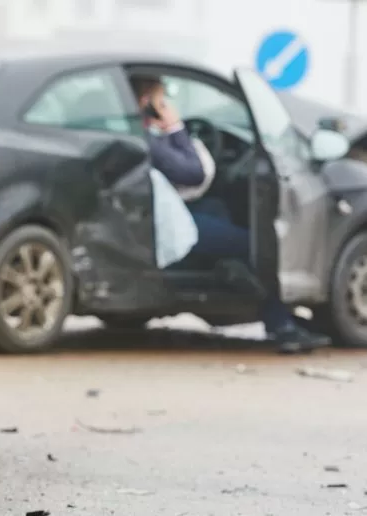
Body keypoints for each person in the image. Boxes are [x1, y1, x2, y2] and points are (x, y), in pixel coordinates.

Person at [132, 75, 331, 354]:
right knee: (254, 245)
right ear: (145, 103)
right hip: (165, 225)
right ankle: (279, 323)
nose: (166, 106)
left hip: (163, 213)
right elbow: (193, 172)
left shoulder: (139, 136)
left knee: (218, 209)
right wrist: (176, 128)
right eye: (161, 101)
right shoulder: (147, 141)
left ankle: (228, 277)